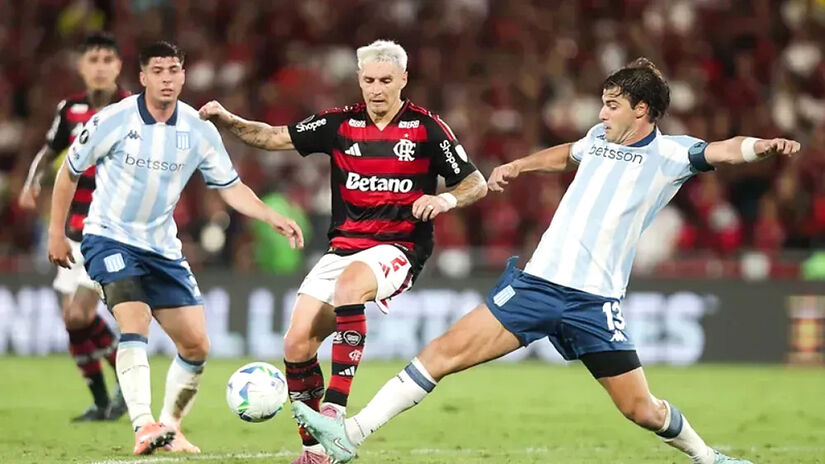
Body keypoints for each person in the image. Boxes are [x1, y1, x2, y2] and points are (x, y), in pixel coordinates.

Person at [292, 58, 802, 464]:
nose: (602, 114)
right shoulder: (600, 140)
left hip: (594, 304)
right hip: (536, 287)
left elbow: (725, 150)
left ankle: (708, 457)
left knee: (640, 409)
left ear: (642, 110)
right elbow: (568, 153)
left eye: (612, 105)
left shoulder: (672, 155)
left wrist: (763, 146)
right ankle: (349, 436)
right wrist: (520, 164)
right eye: (604, 104)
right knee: (441, 354)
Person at [199, 39, 487, 464]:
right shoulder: (339, 124)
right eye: (369, 80)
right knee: (296, 344)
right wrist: (226, 120)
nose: (376, 89)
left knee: (352, 284)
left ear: (403, 80)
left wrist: (445, 200)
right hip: (343, 248)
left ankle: (334, 409)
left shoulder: (427, 128)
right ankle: (316, 450)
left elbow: (474, 182)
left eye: (386, 80)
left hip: (399, 248)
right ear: (359, 79)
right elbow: (274, 137)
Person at [47, 41, 304, 456]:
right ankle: (142, 424)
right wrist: (56, 234)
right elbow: (69, 173)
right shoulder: (112, 120)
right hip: (108, 237)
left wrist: (269, 216)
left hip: (162, 248)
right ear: (143, 77)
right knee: (135, 319)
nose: (168, 78)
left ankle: (169, 427)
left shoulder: (198, 128)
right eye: (159, 71)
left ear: (183, 75)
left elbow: (230, 187)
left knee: (196, 345)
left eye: (174, 70)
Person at [18, 32, 130, 422]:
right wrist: (33, 182)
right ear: (82, 67)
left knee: (78, 317)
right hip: (73, 229)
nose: (100, 66)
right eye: (92, 59)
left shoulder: (132, 109)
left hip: (110, 229)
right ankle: (105, 400)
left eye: (107, 59)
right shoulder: (70, 110)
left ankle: (126, 386)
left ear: (118, 66)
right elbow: (49, 151)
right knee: (73, 324)